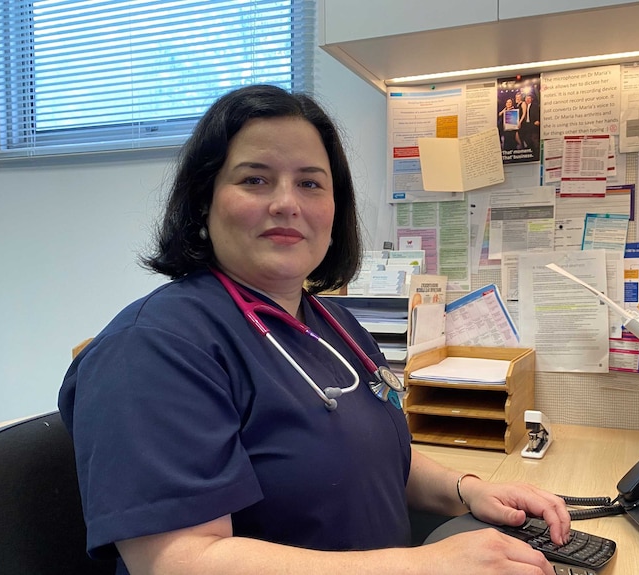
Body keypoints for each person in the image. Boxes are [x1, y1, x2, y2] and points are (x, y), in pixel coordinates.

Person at [58, 84, 571, 575]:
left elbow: (372, 459)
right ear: (203, 201)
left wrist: (467, 490)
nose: (287, 203)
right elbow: (178, 561)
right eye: (255, 179)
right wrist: (420, 565)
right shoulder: (154, 349)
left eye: (310, 182)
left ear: (334, 208)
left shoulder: (334, 325)